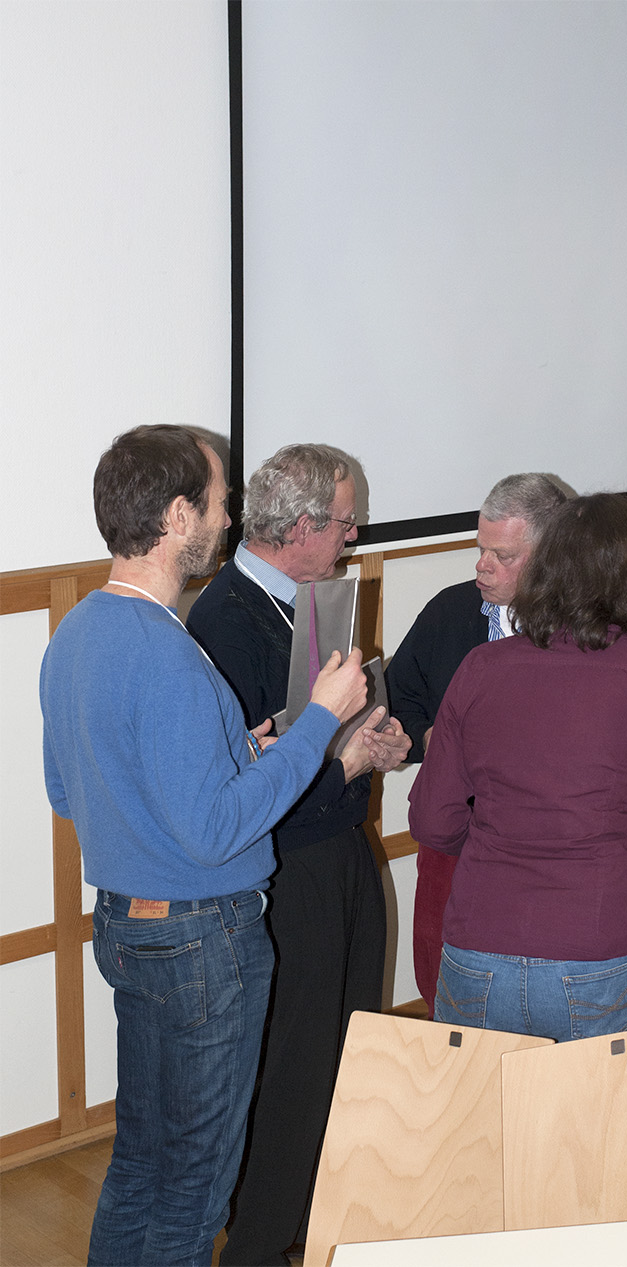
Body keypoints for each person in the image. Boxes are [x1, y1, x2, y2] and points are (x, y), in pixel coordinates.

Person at [41, 425, 369, 1267]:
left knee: (142, 1164)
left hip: (127, 927)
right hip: (201, 945)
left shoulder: (76, 632)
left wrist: (239, 755)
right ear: (179, 513)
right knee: (194, 1188)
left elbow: (71, 792)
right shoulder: (169, 652)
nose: (228, 519)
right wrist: (320, 721)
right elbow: (219, 828)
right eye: (220, 502)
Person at [185, 443, 412, 1266]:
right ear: (304, 526)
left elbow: (315, 724)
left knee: (347, 1048)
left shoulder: (312, 597)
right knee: (294, 1064)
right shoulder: (224, 619)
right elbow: (246, 780)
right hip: (286, 872)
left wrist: (370, 741)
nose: (353, 536)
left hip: (338, 848)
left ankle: (320, 1218)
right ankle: (261, 1239)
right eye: (346, 522)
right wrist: (339, 763)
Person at [410, 492, 627, 1047]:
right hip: (596, 942)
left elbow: (433, 822)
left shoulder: (480, 667)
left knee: (477, 1127)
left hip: (482, 937)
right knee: (587, 1128)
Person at [387, 473, 571, 1010]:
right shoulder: (451, 611)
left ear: (551, 556)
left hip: (545, 862)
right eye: (479, 549)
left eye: (502, 555)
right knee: (448, 999)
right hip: (454, 848)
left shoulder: (581, 632)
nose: (481, 567)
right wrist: (430, 740)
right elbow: (403, 693)